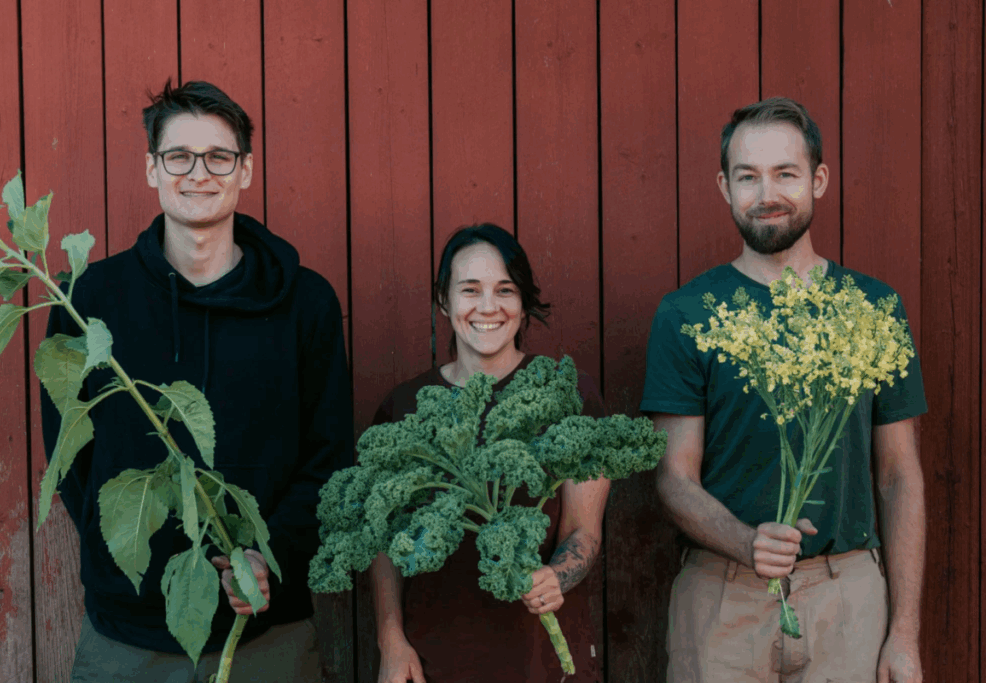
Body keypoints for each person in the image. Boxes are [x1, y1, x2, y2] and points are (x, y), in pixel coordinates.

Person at [41, 80, 352, 681]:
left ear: (247, 170)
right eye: (178, 156)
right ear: (152, 170)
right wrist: (124, 559)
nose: (198, 174)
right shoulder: (88, 301)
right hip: (128, 637)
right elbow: (71, 453)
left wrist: (271, 555)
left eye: (219, 156)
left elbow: (329, 456)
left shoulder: (306, 304)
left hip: (267, 629)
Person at [640, 97, 927, 683]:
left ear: (818, 180)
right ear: (724, 187)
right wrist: (745, 542)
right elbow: (673, 477)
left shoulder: (872, 309)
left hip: (847, 597)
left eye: (785, 173)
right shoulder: (689, 313)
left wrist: (903, 633)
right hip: (722, 599)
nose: (766, 193)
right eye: (748, 176)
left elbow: (900, 476)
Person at [371, 224, 608, 682]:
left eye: (505, 290)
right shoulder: (403, 407)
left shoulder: (567, 397)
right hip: (432, 660)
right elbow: (384, 547)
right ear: (444, 300)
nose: (487, 307)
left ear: (522, 304)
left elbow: (584, 530)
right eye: (469, 290)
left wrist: (557, 576)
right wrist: (390, 641)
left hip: (541, 661)